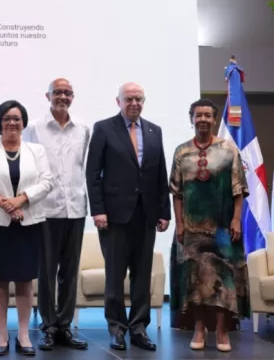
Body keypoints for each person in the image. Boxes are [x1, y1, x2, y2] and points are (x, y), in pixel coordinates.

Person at [85, 82, 170, 351]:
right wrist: (98, 210)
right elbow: (93, 173)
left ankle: (138, 328)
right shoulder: (103, 128)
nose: (134, 103)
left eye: (139, 99)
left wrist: (164, 211)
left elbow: (159, 175)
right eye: (129, 99)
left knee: (142, 275)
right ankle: (116, 328)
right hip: (113, 216)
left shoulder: (154, 130)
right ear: (118, 101)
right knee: (114, 275)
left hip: (146, 215)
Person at [0, 100, 53, 357]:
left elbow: (47, 182)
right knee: (0, 279)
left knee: (25, 280)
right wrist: (4, 203)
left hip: (29, 222)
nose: (12, 123)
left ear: (23, 122)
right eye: (7, 118)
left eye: (17, 118)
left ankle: (25, 334)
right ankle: (2, 334)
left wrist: (20, 200)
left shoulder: (36, 150)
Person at [169, 99, 249, 352]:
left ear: (214, 119)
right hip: (191, 228)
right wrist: (179, 224)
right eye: (197, 115)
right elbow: (177, 193)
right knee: (196, 280)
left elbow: (239, 190)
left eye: (207, 115)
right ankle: (200, 328)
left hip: (224, 227)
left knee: (225, 278)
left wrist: (236, 219)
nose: (202, 119)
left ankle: (222, 331)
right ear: (191, 118)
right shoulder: (181, 152)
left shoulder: (229, 150)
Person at [22, 78, 90, 351]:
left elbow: (84, 166)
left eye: (67, 93)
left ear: (72, 97)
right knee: (47, 272)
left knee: (70, 273)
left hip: (75, 207)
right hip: (45, 209)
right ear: (47, 95)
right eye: (57, 92)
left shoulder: (84, 129)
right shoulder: (34, 129)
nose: (62, 97)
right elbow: (27, 168)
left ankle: (65, 326)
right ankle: (47, 327)